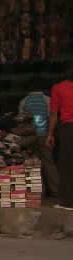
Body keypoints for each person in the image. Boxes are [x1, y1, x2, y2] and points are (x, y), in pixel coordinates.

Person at [17, 77, 58, 198]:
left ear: (29, 87)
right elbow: (52, 117)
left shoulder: (24, 101)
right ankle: (56, 191)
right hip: (44, 135)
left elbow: (20, 122)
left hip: (29, 137)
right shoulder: (47, 100)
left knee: (33, 164)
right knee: (48, 163)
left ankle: (38, 192)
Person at [47, 63, 73, 210]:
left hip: (69, 128)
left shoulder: (58, 88)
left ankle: (68, 202)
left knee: (67, 165)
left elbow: (53, 113)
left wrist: (50, 134)